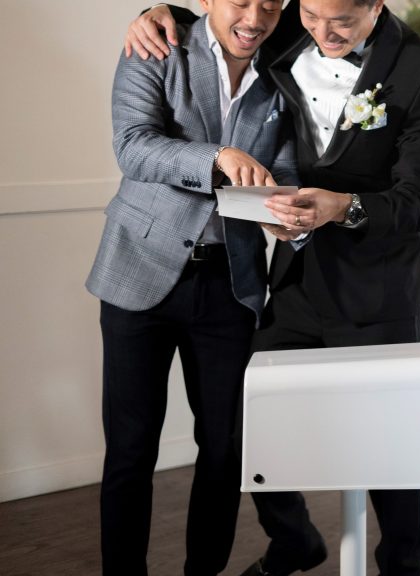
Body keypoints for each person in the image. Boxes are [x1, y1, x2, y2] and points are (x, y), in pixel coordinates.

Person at [125, 1, 420, 574]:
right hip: (295, 277)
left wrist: (345, 209)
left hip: (377, 287)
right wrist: (157, 12)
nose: (323, 33)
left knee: (390, 453)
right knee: (246, 424)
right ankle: (294, 540)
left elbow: (418, 197)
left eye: (342, 24)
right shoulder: (290, 27)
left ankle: (402, 566)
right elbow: (235, 13)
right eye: (310, 16)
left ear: (376, 5)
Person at [87, 0, 293, 574]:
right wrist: (220, 157)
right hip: (138, 275)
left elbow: (290, 168)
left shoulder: (285, 68)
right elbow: (132, 145)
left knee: (224, 451)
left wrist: (287, 216)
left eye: (272, 5)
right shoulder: (156, 46)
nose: (255, 18)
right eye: (241, 3)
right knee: (131, 451)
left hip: (231, 285)